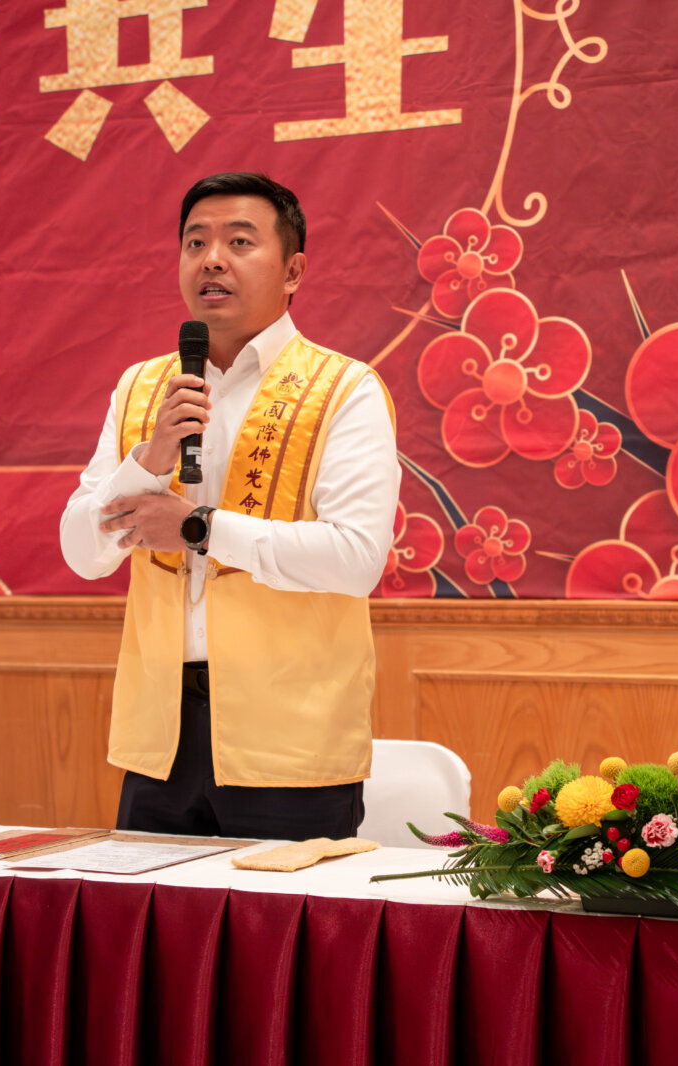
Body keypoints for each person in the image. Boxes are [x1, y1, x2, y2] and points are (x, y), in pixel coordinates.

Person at [60, 172, 399, 840]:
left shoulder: (345, 388)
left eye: (239, 242)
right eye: (196, 243)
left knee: (284, 912)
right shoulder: (142, 388)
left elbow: (356, 559)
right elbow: (82, 553)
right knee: (152, 909)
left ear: (293, 270)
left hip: (290, 737)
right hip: (160, 735)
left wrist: (197, 527)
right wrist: (150, 458)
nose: (211, 260)